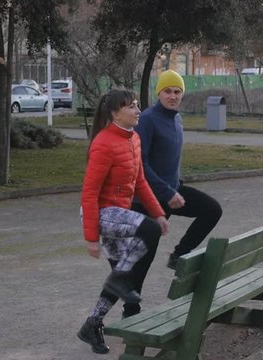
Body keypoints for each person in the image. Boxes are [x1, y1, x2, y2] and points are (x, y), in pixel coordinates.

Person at [122, 69, 222, 317]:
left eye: (177, 91)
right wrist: (167, 191)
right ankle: (130, 310)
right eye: (168, 91)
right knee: (143, 258)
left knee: (211, 210)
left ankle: (179, 255)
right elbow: (140, 164)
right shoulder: (147, 119)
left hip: (171, 191)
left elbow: (169, 158)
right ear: (159, 93)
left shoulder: (176, 119)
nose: (173, 96)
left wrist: (175, 183)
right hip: (146, 200)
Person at [77, 89, 169, 354]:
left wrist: (159, 212)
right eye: (131, 107)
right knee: (147, 231)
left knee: (120, 278)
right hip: (101, 214)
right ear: (115, 113)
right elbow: (90, 193)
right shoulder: (103, 144)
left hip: (119, 215)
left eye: (138, 105)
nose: (138, 110)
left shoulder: (134, 139)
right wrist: (91, 238)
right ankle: (119, 283)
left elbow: (140, 182)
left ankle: (92, 325)